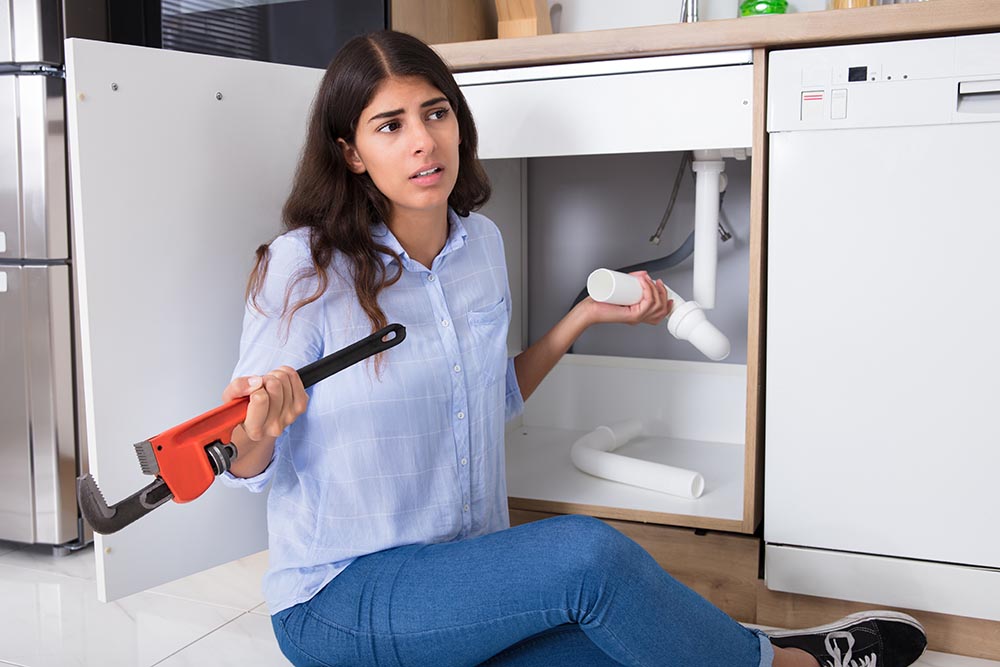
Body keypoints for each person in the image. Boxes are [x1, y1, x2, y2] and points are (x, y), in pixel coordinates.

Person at [219, 30, 928, 667]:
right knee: (588, 555)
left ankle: (761, 651)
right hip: (340, 596)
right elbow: (244, 466)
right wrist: (258, 429)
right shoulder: (304, 268)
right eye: (390, 125)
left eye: (436, 113)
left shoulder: (480, 247)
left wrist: (582, 317)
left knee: (634, 643)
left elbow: (491, 395)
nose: (422, 142)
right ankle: (792, 665)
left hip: (462, 580)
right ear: (351, 153)